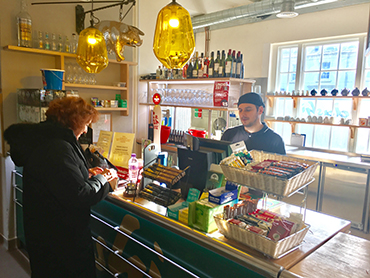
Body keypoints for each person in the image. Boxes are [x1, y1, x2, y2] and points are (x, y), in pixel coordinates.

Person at [4, 97, 118, 278]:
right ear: (74, 121)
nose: (87, 128)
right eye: (86, 123)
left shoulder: (47, 140)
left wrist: (84, 172)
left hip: (45, 234)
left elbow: (59, 178)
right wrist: (103, 179)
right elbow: (79, 195)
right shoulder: (58, 147)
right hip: (62, 242)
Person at [221, 92, 286, 155]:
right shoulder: (229, 135)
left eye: (248, 110)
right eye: (240, 110)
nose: (243, 114)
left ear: (260, 110)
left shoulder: (275, 141)